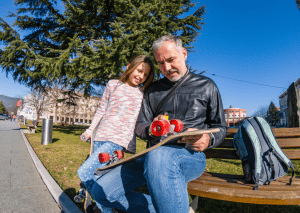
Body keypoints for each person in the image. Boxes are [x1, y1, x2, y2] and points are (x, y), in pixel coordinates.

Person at [90, 35, 227, 213]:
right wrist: (152, 129)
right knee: (101, 192)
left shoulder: (207, 86)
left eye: (171, 60)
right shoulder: (152, 90)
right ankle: (179, 208)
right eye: (161, 63)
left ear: (184, 54)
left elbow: (221, 127)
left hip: (190, 156)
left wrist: (209, 138)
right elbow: (139, 126)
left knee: (160, 157)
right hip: (151, 155)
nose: (167, 68)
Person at [77, 55, 155, 213]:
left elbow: (143, 120)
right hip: (100, 138)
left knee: (84, 171)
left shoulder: (142, 94)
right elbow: (102, 109)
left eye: (145, 75)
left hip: (116, 142)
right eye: (139, 70)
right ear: (129, 67)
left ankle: (108, 208)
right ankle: (108, 207)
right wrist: (90, 130)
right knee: (99, 181)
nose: (141, 76)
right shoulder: (113, 84)